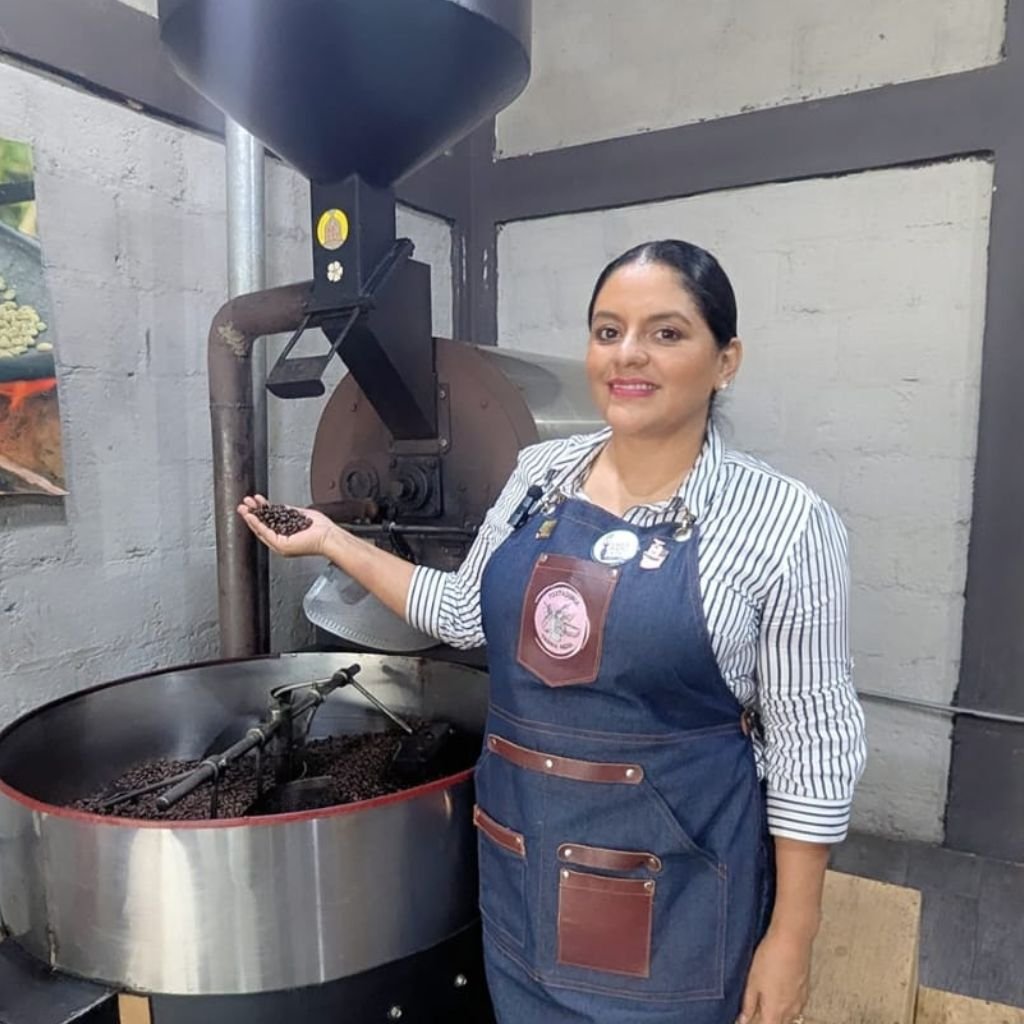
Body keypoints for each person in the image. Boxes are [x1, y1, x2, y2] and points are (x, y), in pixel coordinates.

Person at [238, 239, 867, 1024]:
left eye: (666, 332)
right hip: (523, 871)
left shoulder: (785, 523)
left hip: (675, 896)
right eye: (608, 331)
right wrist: (334, 541)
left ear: (725, 360)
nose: (628, 354)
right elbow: (463, 612)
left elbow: (812, 748)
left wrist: (792, 938)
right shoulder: (540, 473)